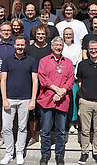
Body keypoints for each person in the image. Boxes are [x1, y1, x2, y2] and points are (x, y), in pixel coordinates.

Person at [0, 36, 38, 165]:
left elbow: (35, 81)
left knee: (22, 127)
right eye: (18, 45)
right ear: (14, 45)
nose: (20, 47)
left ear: (25, 45)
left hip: (25, 99)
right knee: (7, 127)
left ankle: (20, 152)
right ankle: (9, 153)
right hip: (9, 98)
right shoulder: (7, 60)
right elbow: (3, 80)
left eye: (22, 45)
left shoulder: (32, 61)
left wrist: (33, 100)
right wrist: (4, 99)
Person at [37, 37, 74, 165]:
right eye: (56, 45)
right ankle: (45, 154)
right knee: (46, 130)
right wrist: (56, 89)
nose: (58, 47)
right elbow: (42, 78)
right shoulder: (44, 61)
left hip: (62, 100)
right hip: (47, 99)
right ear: (51, 46)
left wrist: (62, 92)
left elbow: (70, 80)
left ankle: (59, 154)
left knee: (61, 131)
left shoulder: (68, 62)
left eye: (60, 45)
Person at [25, 24, 52, 147]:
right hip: (32, 84)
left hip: (48, 85)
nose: (40, 36)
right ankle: (34, 136)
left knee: (47, 111)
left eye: (43, 34)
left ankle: (47, 135)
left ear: (46, 35)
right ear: (35, 35)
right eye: (38, 34)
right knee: (33, 111)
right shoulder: (29, 49)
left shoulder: (50, 49)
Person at [62, 27, 82, 133]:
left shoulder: (78, 47)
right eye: (66, 34)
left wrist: (76, 74)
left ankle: (72, 122)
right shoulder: (61, 47)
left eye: (70, 34)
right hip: (62, 73)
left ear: (73, 36)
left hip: (74, 72)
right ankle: (62, 121)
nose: (68, 36)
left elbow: (79, 60)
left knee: (73, 99)